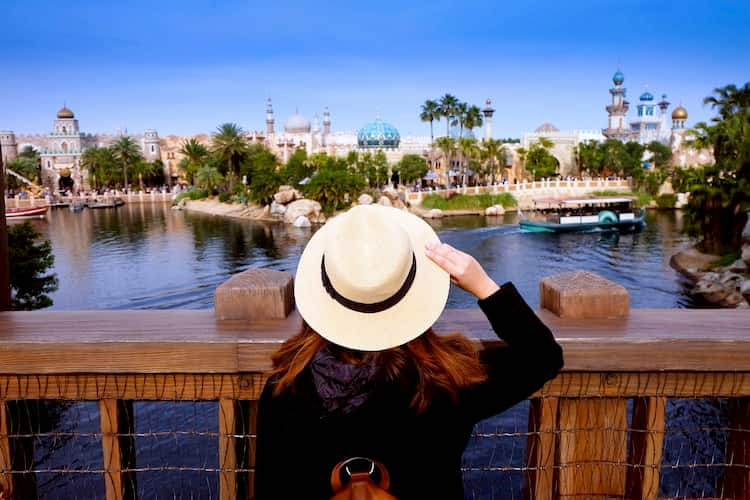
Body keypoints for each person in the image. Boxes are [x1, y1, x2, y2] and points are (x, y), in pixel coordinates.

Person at [254, 205, 563, 499]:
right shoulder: (447, 382)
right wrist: (483, 285)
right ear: (412, 289)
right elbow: (543, 356)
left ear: (325, 289)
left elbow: (270, 491)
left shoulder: (284, 388)